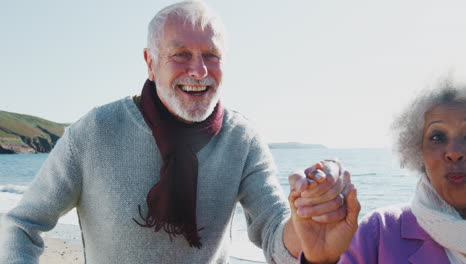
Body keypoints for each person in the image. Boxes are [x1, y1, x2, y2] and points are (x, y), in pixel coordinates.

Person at [0, 1, 351, 263]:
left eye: (211, 56)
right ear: (150, 63)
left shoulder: (241, 139)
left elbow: (275, 233)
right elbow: (22, 224)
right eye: (181, 55)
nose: (198, 71)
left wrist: (305, 224)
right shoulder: (95, 133)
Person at [299, 81, 466, 264]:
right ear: (418, 150)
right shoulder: (380, 231)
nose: (454, 153)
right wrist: (320, 260)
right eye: (437, 137)